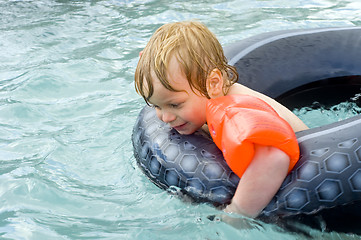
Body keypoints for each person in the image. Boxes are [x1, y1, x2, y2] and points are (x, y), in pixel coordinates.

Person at [134, 21, 308, 218]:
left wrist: (237, 213)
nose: (165, 117)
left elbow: (274, 157)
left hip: (308, 178)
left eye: (175, 105)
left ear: (214, 84)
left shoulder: (230, 112)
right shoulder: (211, 100)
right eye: (156, 106)